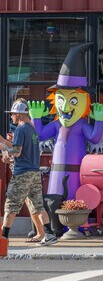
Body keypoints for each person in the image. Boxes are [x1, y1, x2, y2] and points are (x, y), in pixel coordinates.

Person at [0, 101, 58, 246]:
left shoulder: (20, 129)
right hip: (34, 172)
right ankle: (49, 234)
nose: (11, 117)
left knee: (11, 205)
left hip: (22, 174)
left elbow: (17, 152)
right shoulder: (32, 128)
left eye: (13, 114)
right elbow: (24, 151)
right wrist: (9, 148)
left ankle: (3, 238)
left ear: (19, 114)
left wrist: (4, 147)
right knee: (38, 205)